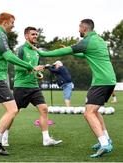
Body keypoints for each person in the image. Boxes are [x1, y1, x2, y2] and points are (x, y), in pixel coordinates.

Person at [34, 19, 116, 158]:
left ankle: (104, 144)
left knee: (88, 113)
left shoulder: (86, 41)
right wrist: (72, 50)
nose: (78, 30)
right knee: (94, 112)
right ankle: (106, 139)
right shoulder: (99, 40)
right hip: (109, 80)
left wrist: (42, 53)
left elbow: (66, 51)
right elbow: (82, 53)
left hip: (101, 81)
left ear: (84, 28)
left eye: (79, 27)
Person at [0, 13, 43, 155]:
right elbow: (9, 56)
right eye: (11, 22)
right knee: (13, 110)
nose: (13, 25)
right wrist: (30, 66)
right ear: (4, 22)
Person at [1, 26, 62, 147]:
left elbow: (35, 68)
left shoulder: (36, 52)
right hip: (21, 86)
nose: (35, 36)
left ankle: (46, 139)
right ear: (26, 36)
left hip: (34, 86)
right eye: (32, 34)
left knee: (44, 109)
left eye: (36, 34)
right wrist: (31, 68)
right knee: (13, 112)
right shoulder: (21, 49)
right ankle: (4, 136)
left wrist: (41, 70)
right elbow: (17, 67)